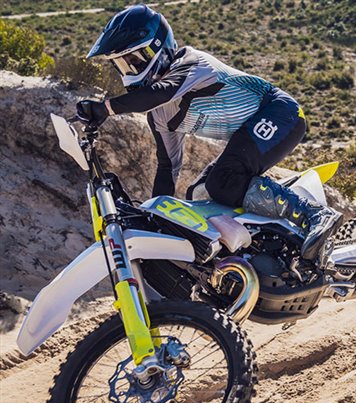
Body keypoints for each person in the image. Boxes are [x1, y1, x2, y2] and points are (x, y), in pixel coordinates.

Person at [75, 4, 342, 261]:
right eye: (122, 65)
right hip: (250, 131)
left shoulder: (191, 63)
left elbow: (161, 92)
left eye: (134, 61)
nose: (129, 71)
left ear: (158, 48)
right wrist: (154, 219)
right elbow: (167, 169)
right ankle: (264, 249)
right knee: (199, 193)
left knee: (223, 181)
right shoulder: (159, 117)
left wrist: (105, 108)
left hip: (280, 112)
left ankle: (314, 214)